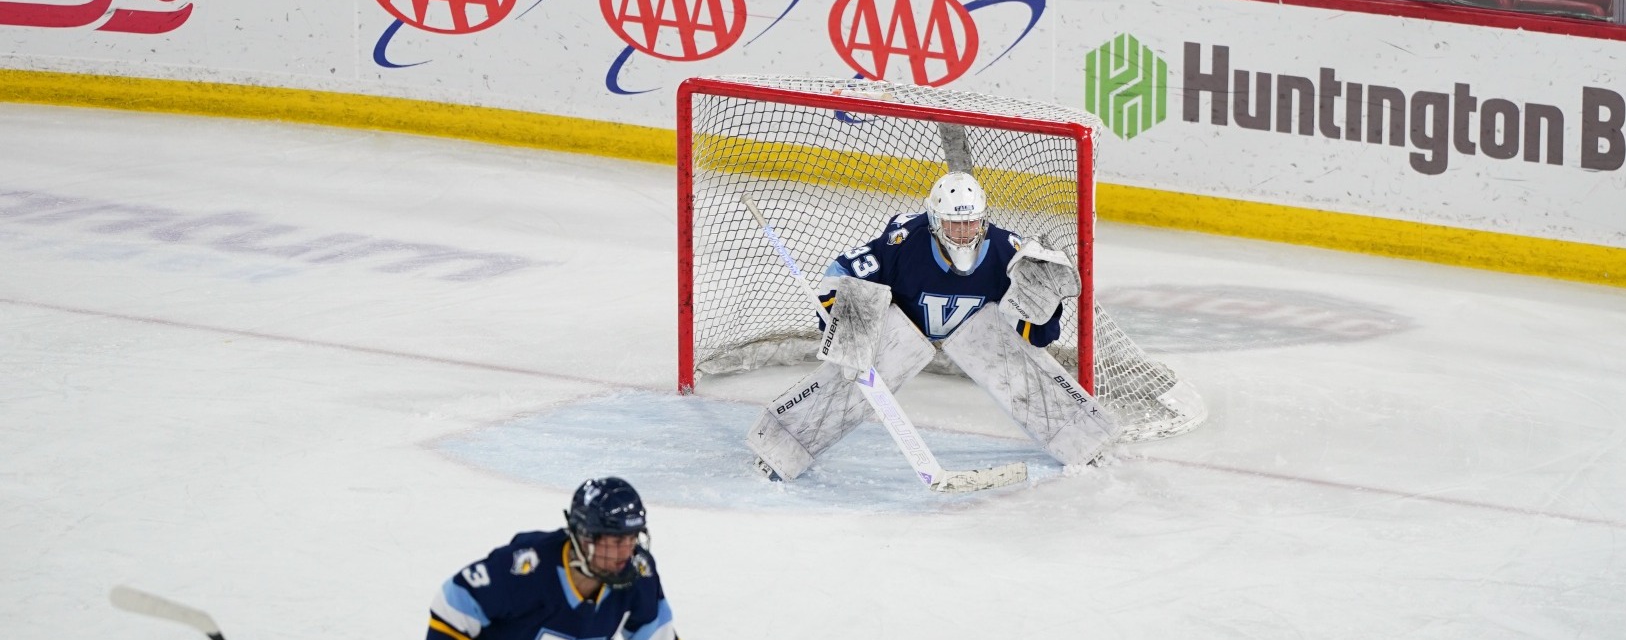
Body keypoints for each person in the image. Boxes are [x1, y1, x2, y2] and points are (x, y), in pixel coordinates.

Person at [747, 172, 1120, 482]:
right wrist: (845, 320)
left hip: (978, 333)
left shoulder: (1009, 251)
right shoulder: (903, 242)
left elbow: (1038, 337)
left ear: (984, 217)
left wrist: (1043, 312)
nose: (963, 232)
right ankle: (780, 445)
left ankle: (1085, 441)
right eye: (953, 224)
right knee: (853, 372)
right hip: (903, 328)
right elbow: (843, 271)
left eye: (971, 222)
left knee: (1018, 364)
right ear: (933, 220)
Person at [426, 477, 678, 640]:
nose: (627, 551)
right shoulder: (526, 569)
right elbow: (454, 603)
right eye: (616, 541)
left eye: (632, 538)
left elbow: (657, 634)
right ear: (584, 537)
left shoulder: (638, 573)